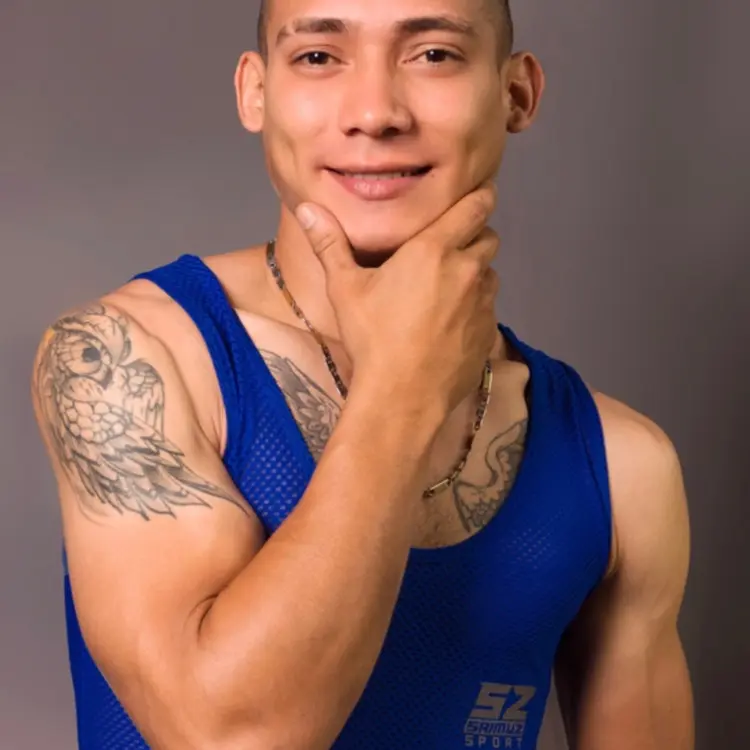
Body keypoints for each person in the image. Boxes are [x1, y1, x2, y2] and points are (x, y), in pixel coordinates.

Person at [31, 1, 695, 748]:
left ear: (516, 93)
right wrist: (401, 391)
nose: (375, 114)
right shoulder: (129, 362)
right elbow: (231, 738)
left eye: (434, 54)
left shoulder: (620, 468)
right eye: (318, 57)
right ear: (256, 93)